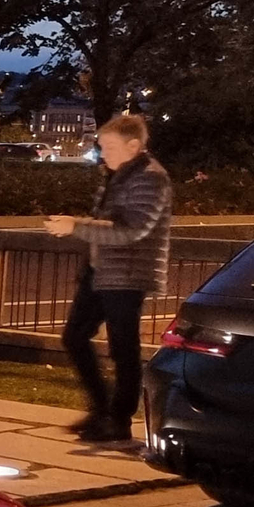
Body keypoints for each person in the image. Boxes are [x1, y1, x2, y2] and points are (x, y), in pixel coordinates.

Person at [46, 112, 173, 444]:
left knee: (123, 347)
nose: (103, 154)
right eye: (101, 147)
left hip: (127, 273)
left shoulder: (151, 178)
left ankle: (118, 419)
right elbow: (112, 221)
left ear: (133, 146)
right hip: (102, 270)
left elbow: (133, 229)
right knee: (75, 336)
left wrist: (77, 226)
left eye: (109, 147)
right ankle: (102, 409)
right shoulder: (117, 176)